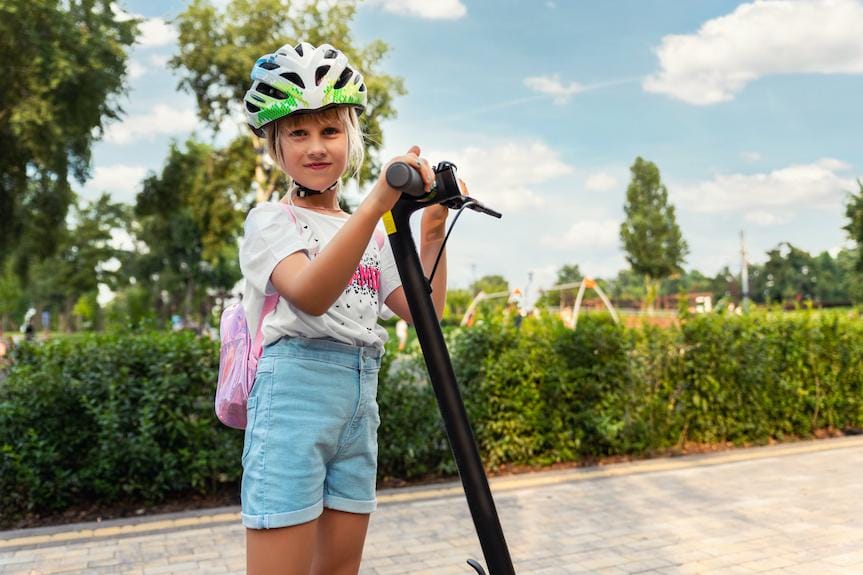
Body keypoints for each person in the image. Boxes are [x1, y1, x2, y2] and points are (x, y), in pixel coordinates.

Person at [238, 42, 455, 575]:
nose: (316, 147)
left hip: (360, 399)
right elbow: (310, 293)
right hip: (295, 396)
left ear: (351, 136)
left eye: (330, 131)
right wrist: (379, 205)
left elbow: (425, 315)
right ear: (275, 145)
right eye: (299, 132)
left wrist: (431, 231)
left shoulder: (369, 230)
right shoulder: (270, 222)